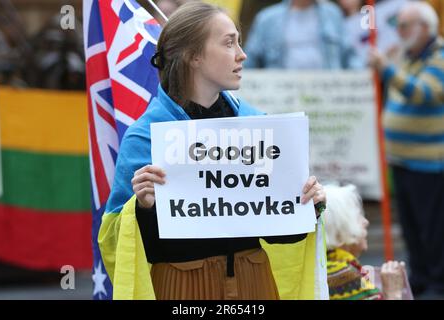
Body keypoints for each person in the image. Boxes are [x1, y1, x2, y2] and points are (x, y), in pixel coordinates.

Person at [98, 2, 327, 300]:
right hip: (181, 288)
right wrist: (142, 209)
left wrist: (310, 204)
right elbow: (125, 249)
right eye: (229, 43)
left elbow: (282, 233)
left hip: (255, 282)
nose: (242, 55)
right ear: (193, 56)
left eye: (238, 42)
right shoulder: (146, 136)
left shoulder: (260, 126)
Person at [368, 1, 444, 298]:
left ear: (424, 28)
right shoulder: (408, 56)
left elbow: (422, 93)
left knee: (433, 230)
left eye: (404, 26)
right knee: (411, 230)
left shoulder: (439, 57)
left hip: (428, 162)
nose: (398, 32)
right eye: (397, 26)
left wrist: (388, 69)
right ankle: (421, 279)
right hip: (402, 158)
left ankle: (438, 283)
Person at [324, 184, 407, 300]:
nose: (366, 222)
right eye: (358, 216)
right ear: (338, 230)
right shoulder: (342, 275)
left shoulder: (325, 265)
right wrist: (393, 293)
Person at [244, 0, 359, 69]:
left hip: (327, 96)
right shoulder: (267, 19)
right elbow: (249, 62)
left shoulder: (333, 14)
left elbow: (351, 58)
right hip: (281, 97)